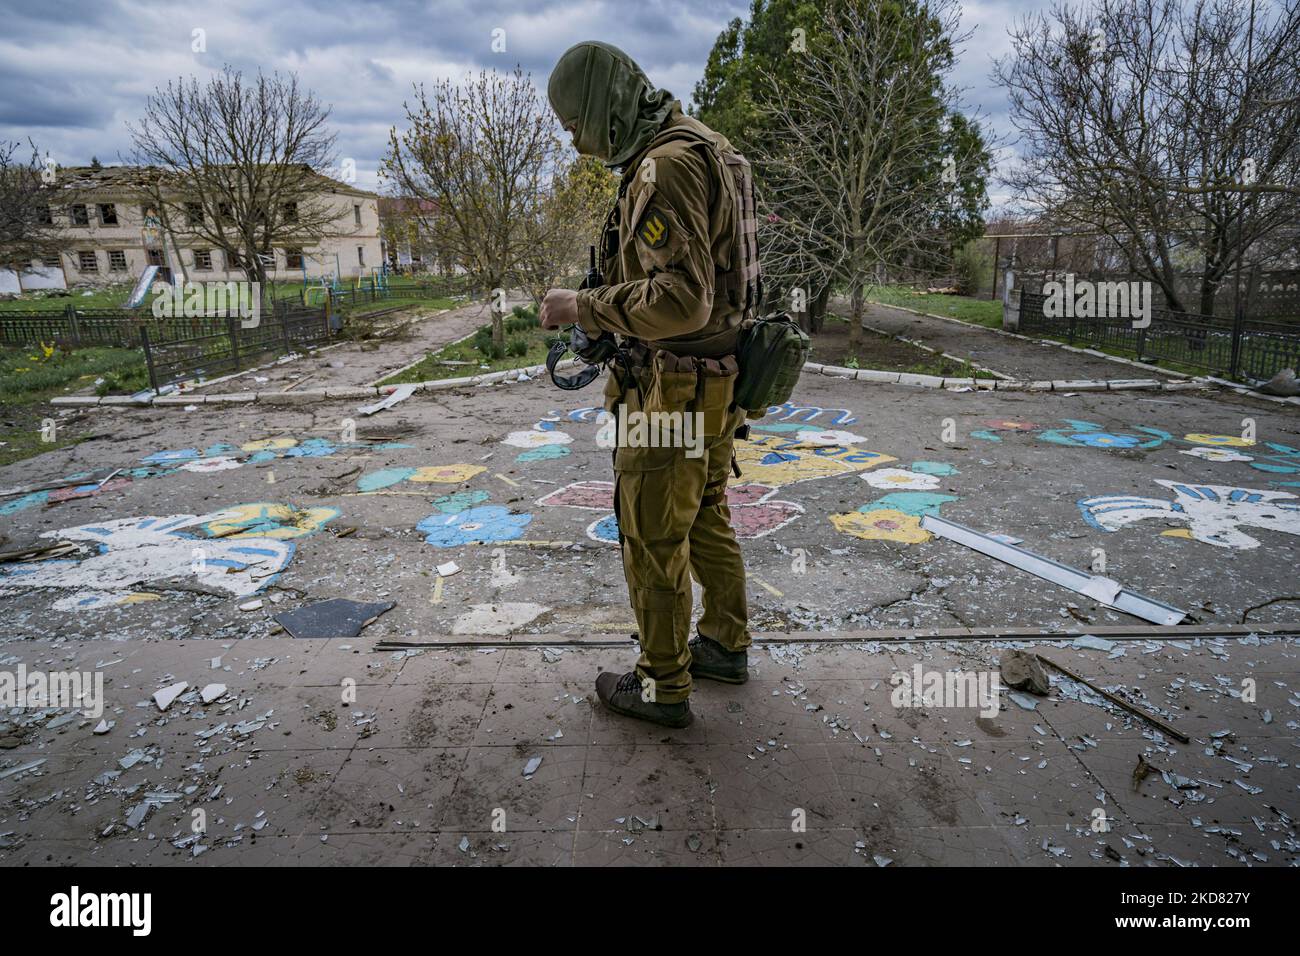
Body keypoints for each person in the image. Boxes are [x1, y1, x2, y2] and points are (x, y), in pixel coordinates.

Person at [539, 40, 761, 728]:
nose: (574, 141)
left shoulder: (662, 168)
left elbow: (681, 300)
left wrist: (583, 308)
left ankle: (662, 685)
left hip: (669, 392)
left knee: (651, 534)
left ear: (604, 101)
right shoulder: (712, 148)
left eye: (575, 123)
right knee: (706, 516)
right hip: (719, 381)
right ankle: (724, 645)